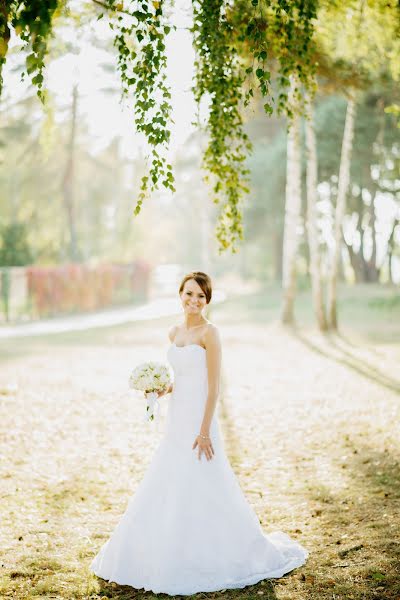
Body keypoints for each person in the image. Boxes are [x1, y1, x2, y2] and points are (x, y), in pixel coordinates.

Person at [90, 271, 308, 594]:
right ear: (180, 294)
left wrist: (204, 430)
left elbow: (213, 387)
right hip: (176, 421)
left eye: (201, 297)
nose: (194, 301)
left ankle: (228, 548)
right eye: (189, 294)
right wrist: (159, 390)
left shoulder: (211, 333)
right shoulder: (174, 332)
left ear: (207, 301)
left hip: (200, 421)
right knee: (170, 478)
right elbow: (183, 380)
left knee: (208, 480)